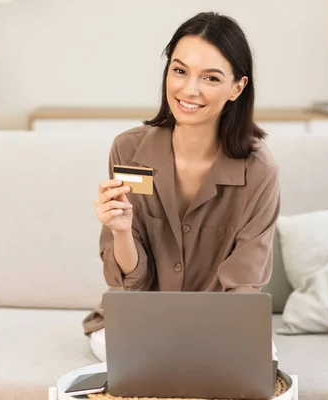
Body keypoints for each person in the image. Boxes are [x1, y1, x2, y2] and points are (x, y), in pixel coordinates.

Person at [82, 11, 281, 363]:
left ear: (237, 87)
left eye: (210, 77)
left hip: (221, 324)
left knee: (253, 356)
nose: (189, 90)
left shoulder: (258, 171)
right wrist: (122, 231)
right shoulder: (129, 152)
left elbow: (244, 287)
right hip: (139, 319)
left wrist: (216, 343)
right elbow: (130, 281)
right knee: (130, 352)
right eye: (179, 70)